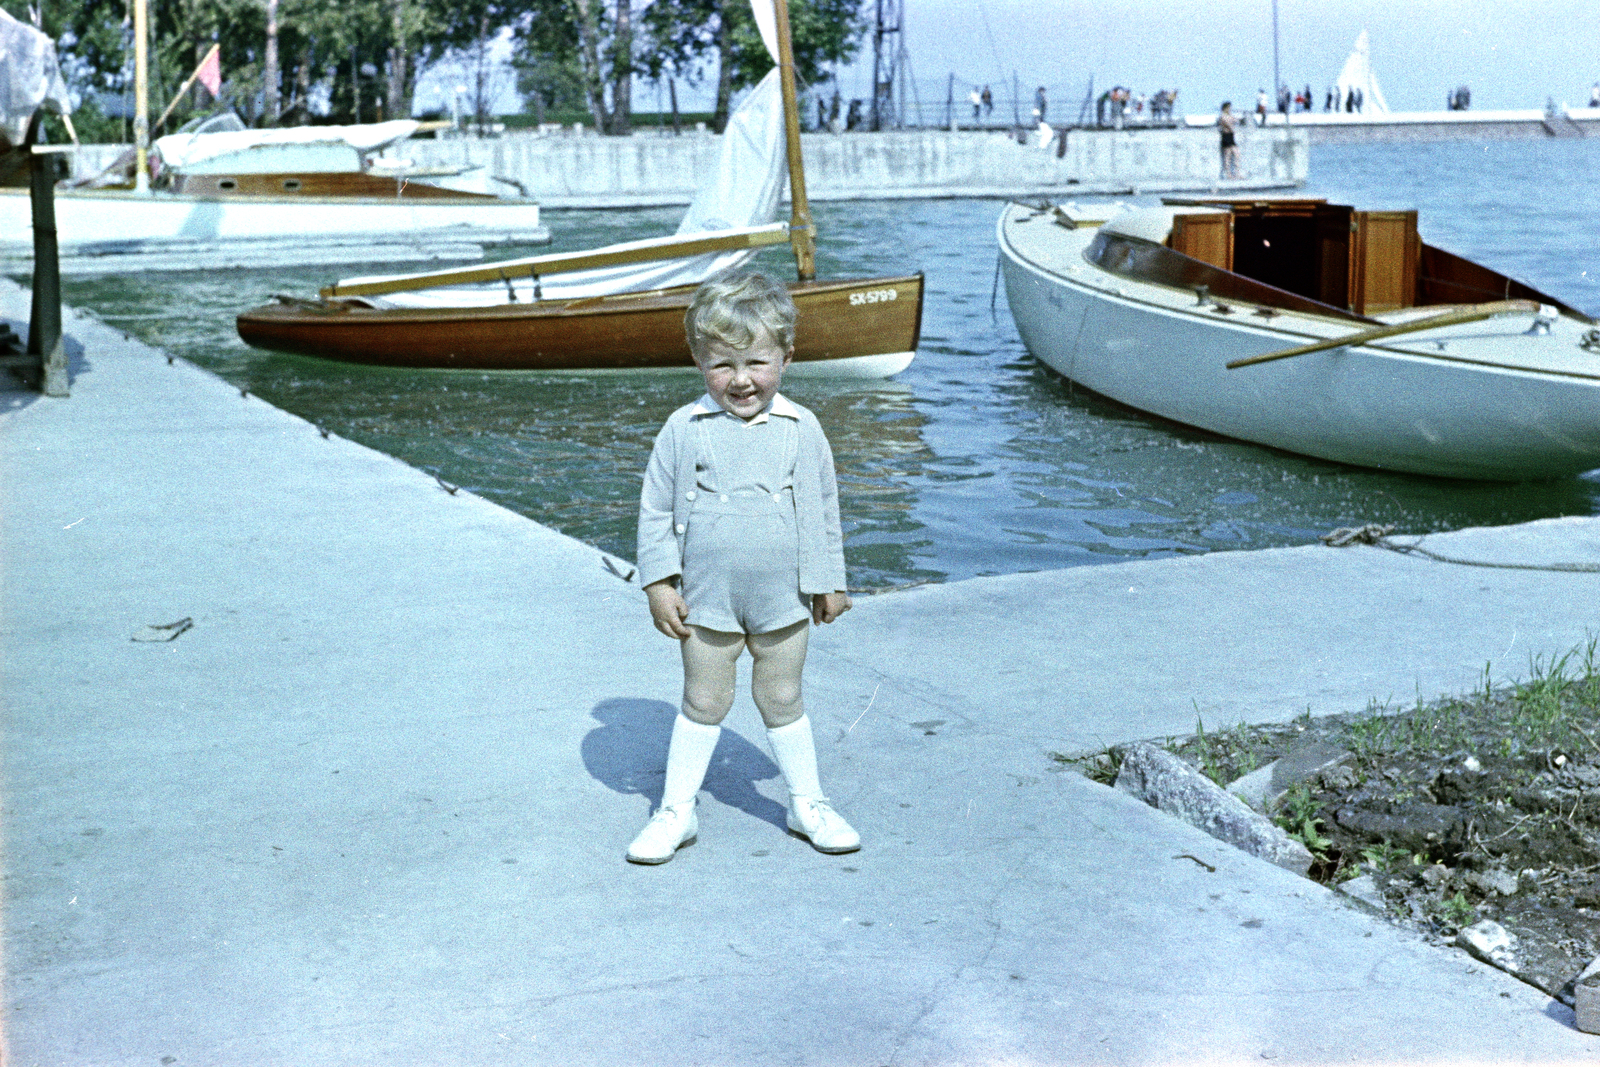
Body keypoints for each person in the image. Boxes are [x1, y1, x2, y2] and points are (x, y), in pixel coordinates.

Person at [628, 274, 859, 865]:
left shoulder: (802, 429)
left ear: (786, 357)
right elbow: (654, 509)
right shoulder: (684, 429)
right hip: (707, 599)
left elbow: (823, 508)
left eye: (757, 362)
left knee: (782, 696)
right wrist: (659, 582)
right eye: (721, 364)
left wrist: (830, 579)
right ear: (699, 361)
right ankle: (676, 809)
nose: (740, 379)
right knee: (704, 699)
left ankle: (806, 802)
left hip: (783, 598)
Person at [1218, 101, 1241, 179]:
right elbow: (1228, 125)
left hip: (1231, 136)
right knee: (1227, 156)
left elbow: (1236, 120)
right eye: (1228, 107)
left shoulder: (1229, 115)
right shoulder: (1222, 116)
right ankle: (1228, 174)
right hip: (1226, 136)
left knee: (1236, 154)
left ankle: (1237, 173)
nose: (1230, 109)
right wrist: (1232, 123)